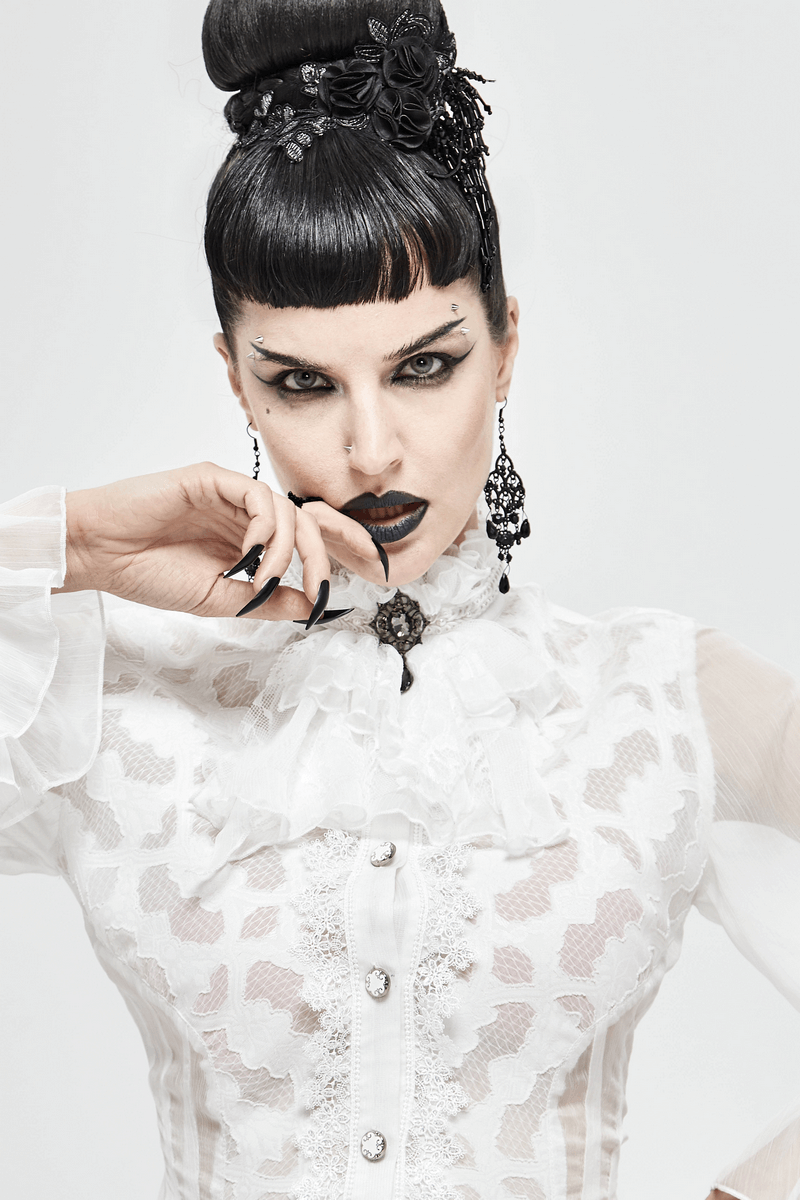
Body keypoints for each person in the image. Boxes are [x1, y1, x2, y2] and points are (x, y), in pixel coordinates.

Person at [0, 1, 798, 1198]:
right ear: (237, 381)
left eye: (424, 366)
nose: (371, 449)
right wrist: (69, 545)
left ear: (504, 346)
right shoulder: (105, 698)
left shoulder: (655, 700)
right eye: (301, 383)